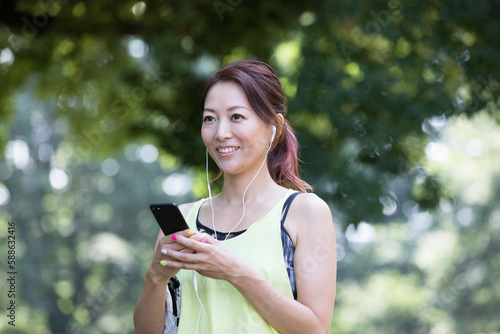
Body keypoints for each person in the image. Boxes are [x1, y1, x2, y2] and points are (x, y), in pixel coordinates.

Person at [134, 60, 337, 334]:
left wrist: (234, 271)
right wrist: (155, 276)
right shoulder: (182, 221)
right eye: (210, 118)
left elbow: (314, 330)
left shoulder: (303, 212)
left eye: (237, 117)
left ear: (273, 126)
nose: (220, 133)